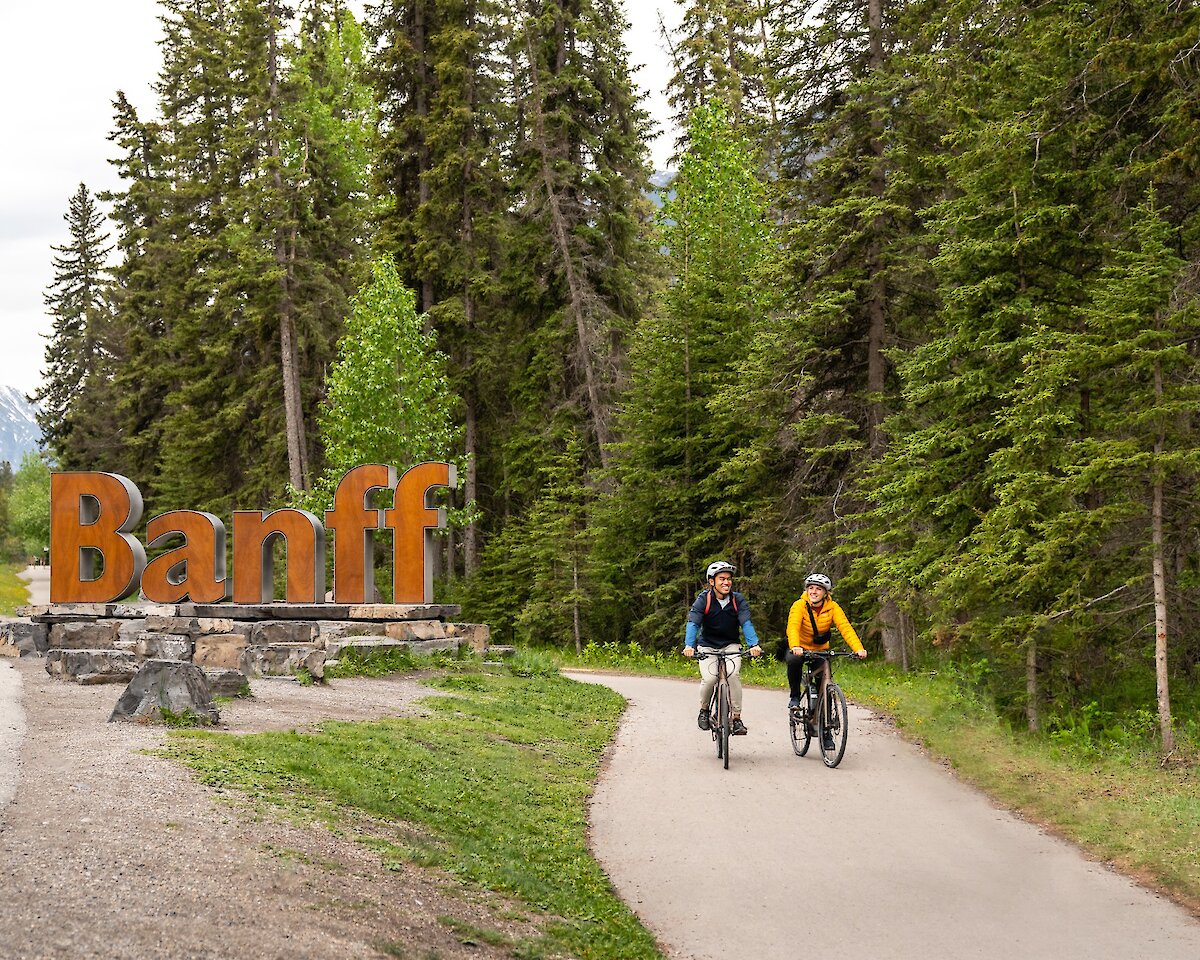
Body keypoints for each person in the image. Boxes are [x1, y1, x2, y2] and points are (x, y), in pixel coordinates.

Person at [786, 573, 867, 748]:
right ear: (806, 590)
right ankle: (794, 697)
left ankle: (825, 731)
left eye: (818, 589)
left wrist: (858, 648)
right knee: (793, 661)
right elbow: (792, 626)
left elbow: (845, 627)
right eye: (811, 588)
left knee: (826, 686)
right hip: (800, 648)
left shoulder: (833, 607)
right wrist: (795, 646)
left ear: (826, 593)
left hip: (821, 650)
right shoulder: (799, 605)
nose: (813, 592)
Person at [683, 561, 764, 735]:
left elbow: (746, 623)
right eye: (722, 579)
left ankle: (736, 719)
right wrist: (689, 645)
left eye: (728, 579)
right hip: (707, 646)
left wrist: (754, 644)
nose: (726, 582)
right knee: (710, 679)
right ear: (712, 582)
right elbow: (693, 623)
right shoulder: (703, 599)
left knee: (733, 675)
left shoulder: (737, 600)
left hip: (731, 645)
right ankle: (704, 711)